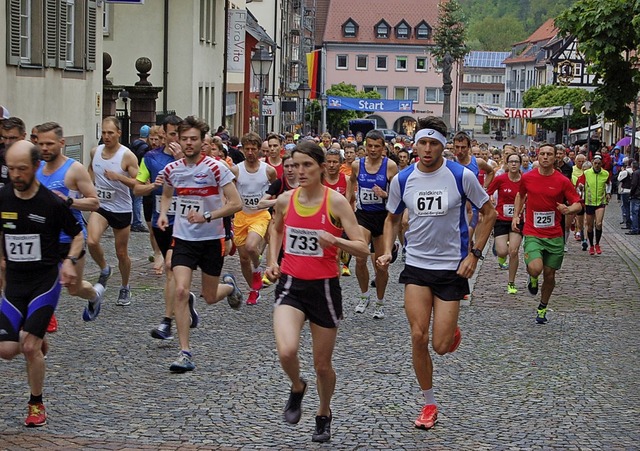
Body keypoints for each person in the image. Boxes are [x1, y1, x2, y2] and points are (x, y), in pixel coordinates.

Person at [376, 117, 496, 430]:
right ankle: (429, 404)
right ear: (414, 145)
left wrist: (475, 254)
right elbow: (391, 218)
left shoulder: (461, 175)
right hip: (416, 266)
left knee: (440, 346)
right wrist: (388, 250)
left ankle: (451, 333)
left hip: (451, 268)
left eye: (434, 143)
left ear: (443, 145)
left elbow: (488, 214)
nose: (427, 149)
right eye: (422, 143)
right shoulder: (402, 179)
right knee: (418, 335)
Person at [265, 141, 369, 443]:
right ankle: (297, 386)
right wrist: (273, 260)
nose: (300, 171)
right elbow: (276, 228)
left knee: (322, 365)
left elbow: (362, 247)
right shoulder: (285, 199)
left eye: (307, 165)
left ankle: (323, 413)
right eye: (295, 165)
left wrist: (335, 242)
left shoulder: (335, 202)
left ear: (322, 167)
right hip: (291, 286)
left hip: (324, 289)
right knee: (286, 350)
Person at [0, 140, 84, 427]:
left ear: (36, 167)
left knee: (29, 347)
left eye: (22, 169)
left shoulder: (51, 202)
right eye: (11, 169)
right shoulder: (3, 197)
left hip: (44, 282)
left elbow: (78, 235)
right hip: (13, 283)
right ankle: (37, 335)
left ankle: (36, 404)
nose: (16, 175)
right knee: (7, 350)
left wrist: (71, 262)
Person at [157, 116, 244, 373]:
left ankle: (228, 287)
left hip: (211, 239)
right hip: (184, 238)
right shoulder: (173, 170)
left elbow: (235, 203)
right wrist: (164, 213)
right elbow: (167, 192)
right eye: (184, 139)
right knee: (181, 291)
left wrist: (207, 215)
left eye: (193, 139)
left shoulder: (216, 168)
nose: (188, 143)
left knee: (208, 296)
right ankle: (185, 353)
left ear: (202, 140)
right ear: (178, 140)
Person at [35, 122, 104, 321]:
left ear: (62, 143)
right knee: (43, 284)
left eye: (50, 144)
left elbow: (94, 202)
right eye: (41, 144)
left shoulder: (74, 170)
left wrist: (68, 201)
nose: (45, 148)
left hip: (70, 239)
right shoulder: (36, 169)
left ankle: (94, 295)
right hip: (44, 240)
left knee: (74, 288)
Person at [512, 143, 582, 324]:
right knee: (536, 267)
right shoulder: (527, 178)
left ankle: (542, 307)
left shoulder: (562, 181)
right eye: (542, 153)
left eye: (549, 154)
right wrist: (516, 215)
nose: (545, 157)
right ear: (537, 156)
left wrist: (567, 209)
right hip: (533, 232)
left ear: (555, 158)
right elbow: (520, 195)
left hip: (554, 234)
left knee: (550, 275)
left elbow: (578, 203)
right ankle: (532, 277)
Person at [134, 115, 185, 340]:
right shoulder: (151, 157)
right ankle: (184, 300)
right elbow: (137, 187)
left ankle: (166, 322)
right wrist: (152, 187)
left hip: (185, 224)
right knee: (173, 274)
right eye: (171, 134)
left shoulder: (191, 159)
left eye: (178, 134)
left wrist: (181, 160)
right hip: (161, 221)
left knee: (170, 266)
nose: (174, 139)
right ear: (163, 134)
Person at [87, 116, 139, 306]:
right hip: (101, 206)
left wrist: (118, 177)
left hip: (121, 208)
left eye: (110, 133)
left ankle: (125, 287)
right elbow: (90, 172)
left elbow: (139, 183)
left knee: (121, 253)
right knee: (91, 241)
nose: (106, 136)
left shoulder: (127, 156)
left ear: (119, 133)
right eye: (103, 132)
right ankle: (104, 268)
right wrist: (86, 189)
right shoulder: (96, 151)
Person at [348, 129, 399, 319]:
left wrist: (385, 195)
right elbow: (351, 184)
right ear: (365, 146)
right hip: (363, 216)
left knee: (381, 264)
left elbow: (398, 194)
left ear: (383, 148)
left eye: (377, 146)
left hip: (383, 218)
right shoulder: (357, 165)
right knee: (360, 257)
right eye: (369, 146)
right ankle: (364, 296)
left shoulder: (390, 166)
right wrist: (348, 204)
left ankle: (380, 302)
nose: (373, 149)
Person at [230, 132, 277, 305]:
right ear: (242, 150)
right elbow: (230, 192)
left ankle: (257, 269)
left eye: (253, 149)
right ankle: (253, 290)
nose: (250, 152)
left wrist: (271, 205)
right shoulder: (236, 170)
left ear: (259, 150)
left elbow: (275, 189)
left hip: (260, 215)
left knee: (251, 246)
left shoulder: (268, 171)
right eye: (247, 149)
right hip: (241, 216)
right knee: (243, 258)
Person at [487, 152, 524, 294]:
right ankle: (502, 258)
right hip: (501, 219)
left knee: (513, 251)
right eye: (511, 162)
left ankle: (511, 283)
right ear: (507, 164)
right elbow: (488, 193)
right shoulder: (500, 179)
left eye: (516, 161)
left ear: (520, 164)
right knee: (502, 251)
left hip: (518, 219)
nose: (514, 164)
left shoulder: (525, 180)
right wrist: (492, 207)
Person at [577, 154, 611, 255]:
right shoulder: (587, 173)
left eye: (599, 164)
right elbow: (580, 184)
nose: (596, 165)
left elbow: (609, 184)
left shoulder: (605, 174)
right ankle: (591, 245)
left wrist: (608, 193)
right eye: (595, 163)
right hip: (589, 202)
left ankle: (597, 244)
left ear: (601, 164)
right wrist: (580, 187)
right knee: (590, 226)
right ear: (592, 163)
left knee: (599, 223)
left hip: (600, 201)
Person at [129, 125, 151, 233]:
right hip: (140, 175)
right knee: (137, 200)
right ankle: (137, 222)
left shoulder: (133, 144)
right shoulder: (146, 148)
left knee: (131, 199)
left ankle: (131, 220)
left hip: (130, 174)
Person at [627, 160, 640, 235]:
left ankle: (635, 228)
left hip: (636, 194)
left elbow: (634, 184)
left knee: (634, 212)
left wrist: (631, 193)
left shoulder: (635, 173)